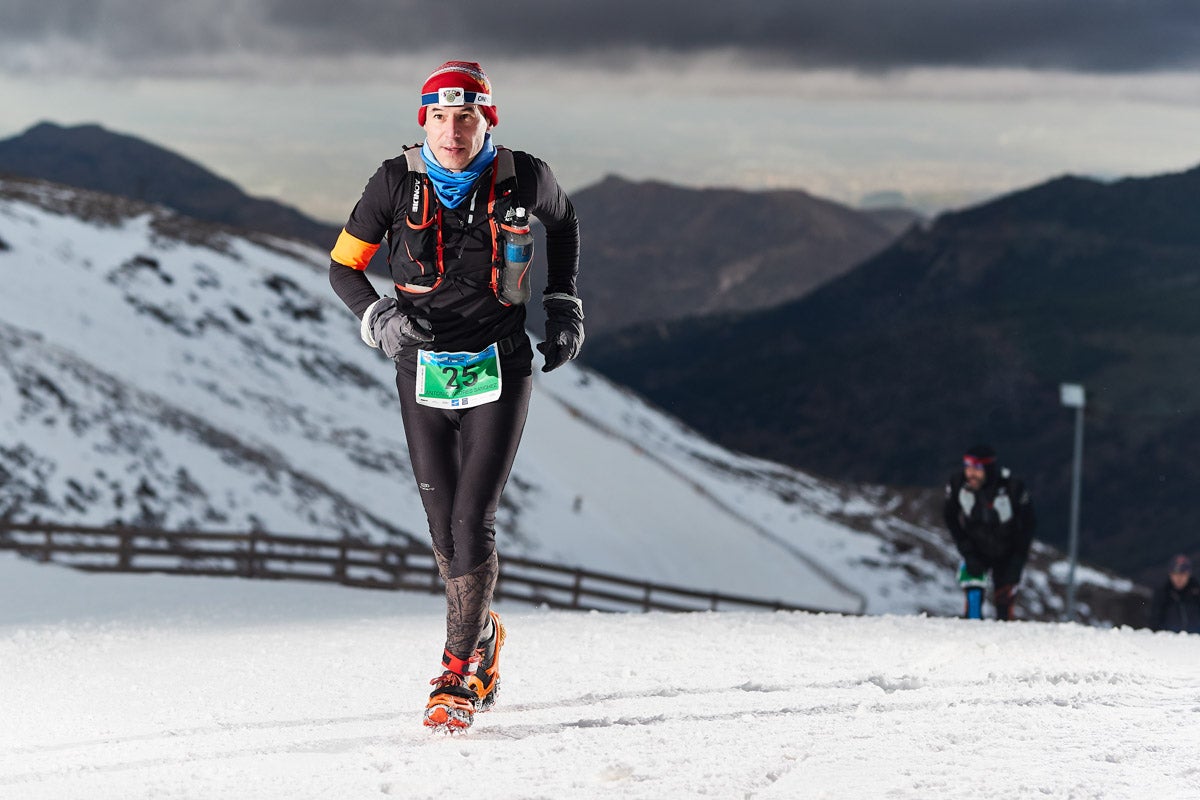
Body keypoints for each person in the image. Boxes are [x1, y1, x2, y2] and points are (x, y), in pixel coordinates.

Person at [328, 60, 583, 731]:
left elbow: (563, 224)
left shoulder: (527, 178)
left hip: (501, 365)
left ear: (486, 120)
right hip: (421, 369)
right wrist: (378, 316)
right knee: (443, 527)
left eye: (466, 116)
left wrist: (563, 303)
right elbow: (343, 264)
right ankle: (483, 635)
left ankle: (456, 673)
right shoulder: (393, 182)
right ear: (424, 122)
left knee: (473, 520)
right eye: (440, 117)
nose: (453, 130)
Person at [942, 444, 1035, 620]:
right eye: (968, 467)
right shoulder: (958, 484)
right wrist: (966, 549)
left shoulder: (1012, 488)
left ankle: (1003, 644)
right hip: (975, 550)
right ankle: (972, 641)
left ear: (988, 468)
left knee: (1004, 606)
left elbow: (1028, 525)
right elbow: (950, 517)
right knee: (973, 604)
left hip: (1008, 552)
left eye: (977, 468)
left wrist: (1018, 559)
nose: (971, 473)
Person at [1148, 554, 1200, 633]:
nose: (1179, 578)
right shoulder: (1163, 592)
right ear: (1170, 574)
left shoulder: (1197, 591)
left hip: (1196, 638)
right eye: (1175, 574)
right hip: (1169, 640)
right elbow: (1154, 620)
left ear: (1189, 574)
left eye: (1182, 574)